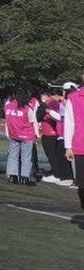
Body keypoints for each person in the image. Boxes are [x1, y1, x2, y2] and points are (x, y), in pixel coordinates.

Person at [2, 89, 40, 184]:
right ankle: (25, 177)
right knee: (26, 157)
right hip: (26, 134)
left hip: (13, 133)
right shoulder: (27, 107)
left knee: (12, 155)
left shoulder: (8, 106)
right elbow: (33, 121)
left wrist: (8, 133)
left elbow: (7, 121)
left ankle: (12, 175)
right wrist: (36, 135)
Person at [63, 78, 84, 209]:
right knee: (82, 185)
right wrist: (68, 147)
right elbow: (69, 122)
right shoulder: (74, 98)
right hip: (81, 146)